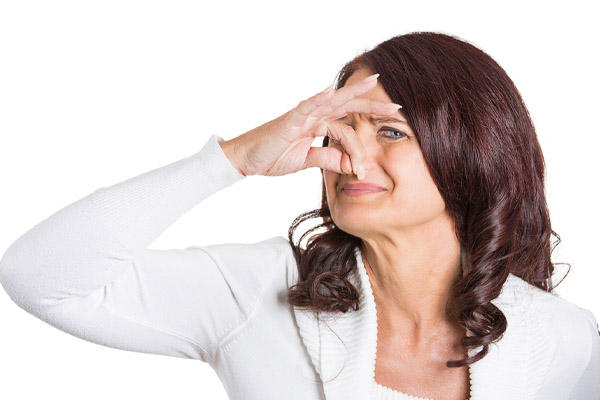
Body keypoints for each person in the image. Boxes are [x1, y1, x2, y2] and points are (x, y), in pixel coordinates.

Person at [0, 31, 598, 400]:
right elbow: (42, 276)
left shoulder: (562, 339)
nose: (349, 157)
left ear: (474, 153)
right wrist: (232, 161)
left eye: (390, 131)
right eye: (338, 133)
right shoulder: (256, 290)